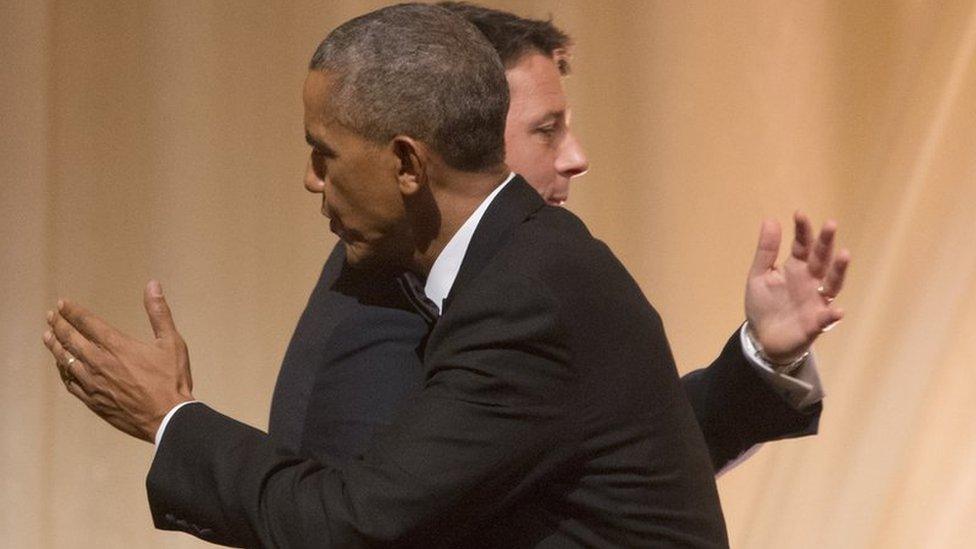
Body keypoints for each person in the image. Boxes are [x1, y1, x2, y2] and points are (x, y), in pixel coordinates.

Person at [43, 4, 736, 546]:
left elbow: (353, 524)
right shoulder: (519, 266)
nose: (311, 179)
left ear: (407, 164)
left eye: (325, 153)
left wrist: (170, 417)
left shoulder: (525, 295)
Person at [268, 1, 846, 474]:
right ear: (463, 138)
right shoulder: (379, 306)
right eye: (546, 130)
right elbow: (356, 513)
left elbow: (600, 455)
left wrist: (763, 357)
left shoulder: (506, 278)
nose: (576, 158)